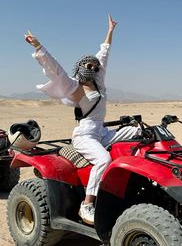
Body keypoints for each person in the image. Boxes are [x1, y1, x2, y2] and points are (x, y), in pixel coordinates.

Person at [24, 15, 140, 225]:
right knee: (103, 160)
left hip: (102, 131)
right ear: (80, 67)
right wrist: (38, 46)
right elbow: (55, 69)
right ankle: (87, 204)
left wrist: (110, 31)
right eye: (89, 66)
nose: (94, 68)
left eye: (95, 67)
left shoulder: (99, 81)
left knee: (140, 131)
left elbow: (104, 52)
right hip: (85, 135)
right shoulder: (73, 87)